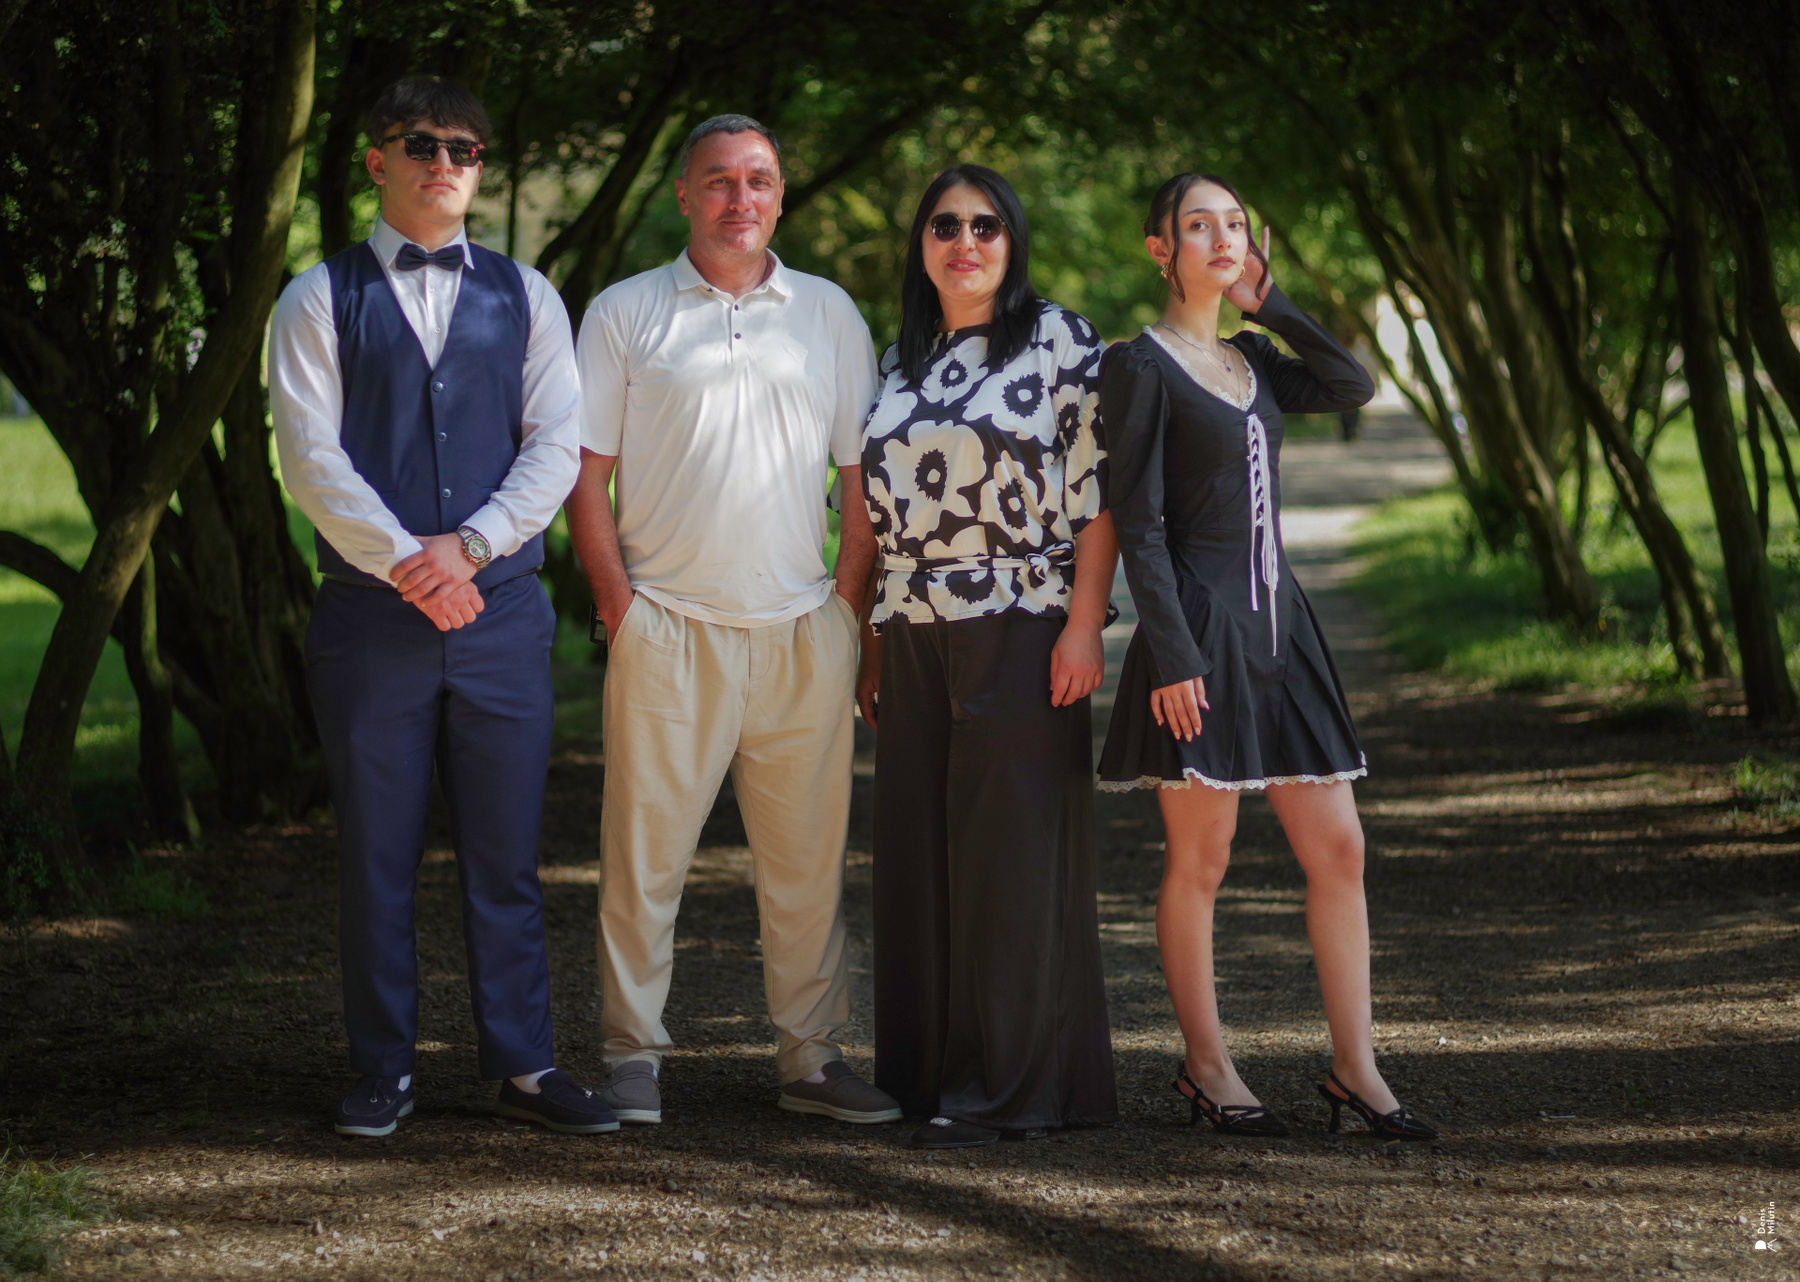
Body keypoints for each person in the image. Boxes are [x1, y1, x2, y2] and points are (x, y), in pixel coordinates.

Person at [271, 76, 616, 1138]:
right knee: (375, 856)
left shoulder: (529, 295)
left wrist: (467, 549)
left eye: (463, 149)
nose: (444, 163)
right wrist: (408, 565)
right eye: (421, 144)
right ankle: (384, 1068)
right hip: (369, 622)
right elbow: (309, 457)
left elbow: (556, 445)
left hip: (500, 614)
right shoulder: (317, 296)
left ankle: (524, 1065)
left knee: (507, 856)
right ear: (378, 161)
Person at [567, 114, 902, 1128]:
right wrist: (620, 609)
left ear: (781, 196)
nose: (739, 197)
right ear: (684, 194)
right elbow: (584, 478)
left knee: (807, 868)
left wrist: (846, 613)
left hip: (803, 629)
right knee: (643, 865)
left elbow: (861, 480)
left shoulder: (828, 313)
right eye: (718, 180)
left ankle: (812, 1059)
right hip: (667, 628)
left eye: (758, 179)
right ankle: (633, 1058)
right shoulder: (626, 312)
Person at [1095, 172, 1437, 1141]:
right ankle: (1207, 1068)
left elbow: (1351, 384)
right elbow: (1137, 521)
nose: (1222, 237)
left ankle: (1355, 1070)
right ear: (1160, 249)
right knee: (1203, 859)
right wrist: (1172, 654)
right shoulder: (1138, 365)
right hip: (1198, 638)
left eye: (1236, 224)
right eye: (1199, 224)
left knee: (1340, 850)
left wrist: (1273, 303)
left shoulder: (1252, 357)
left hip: (1286, 634)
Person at [858, 165, 1120, 1150]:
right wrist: (871, 642)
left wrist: (1086, 623)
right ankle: (925, 1076)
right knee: (919, 860)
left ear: (1011, 241)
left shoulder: (1058, 339)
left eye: (985, 226)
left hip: (1024, 620)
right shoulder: (899, 356)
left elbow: (1097, 494)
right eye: (944, 225)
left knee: (1010, 862)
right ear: (920, 245)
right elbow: (876, 513)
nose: (964, 242)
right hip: (910, 630)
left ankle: (1009, 1089)